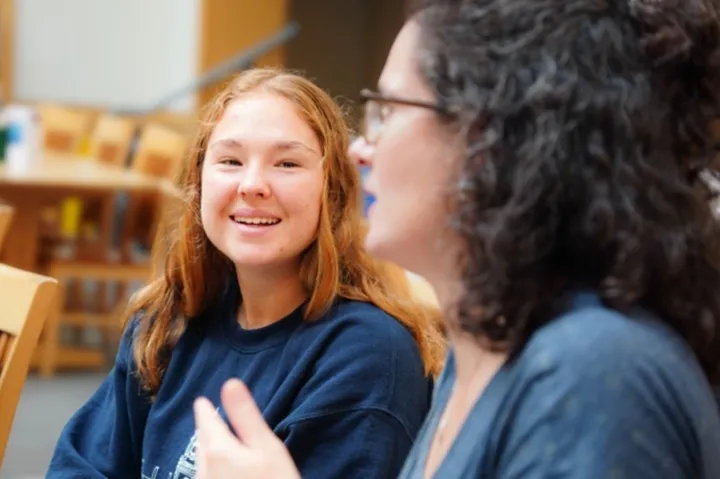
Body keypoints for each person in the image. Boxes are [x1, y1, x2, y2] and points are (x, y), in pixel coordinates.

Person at [192, 0, 720, 477]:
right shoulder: (484, 344)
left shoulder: (593, 375)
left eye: (388, 111)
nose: (359, 152)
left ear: (488, 142)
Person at [46, 68, 446, 478]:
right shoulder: (167, 320)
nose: (252, 185)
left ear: (334, 192)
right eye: (230, 160)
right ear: (199, 183)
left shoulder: (368, 357)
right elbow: (79, 467)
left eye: (287, 163)